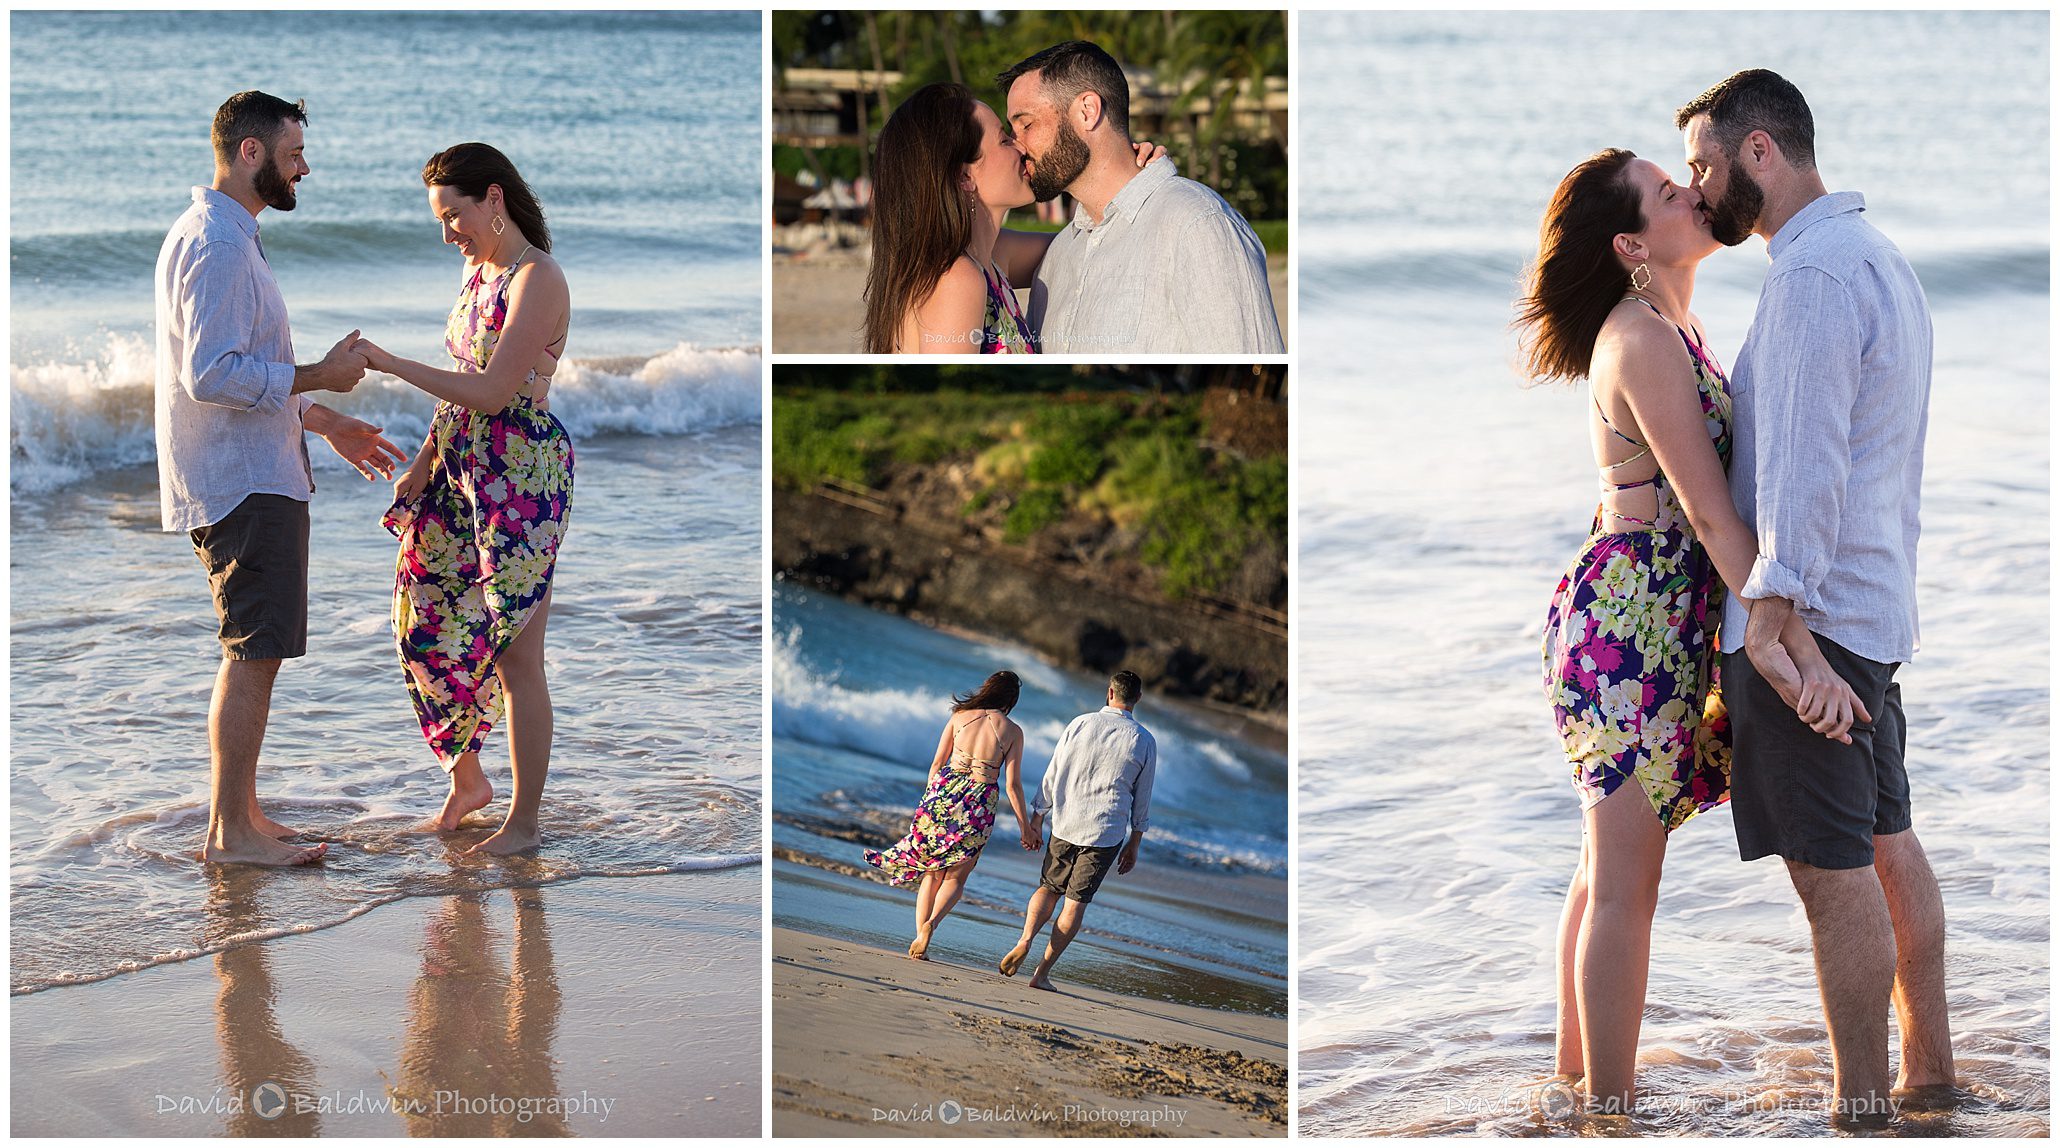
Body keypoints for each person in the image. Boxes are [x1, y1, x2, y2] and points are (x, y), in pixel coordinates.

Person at [1516, 144, 1867, 1113]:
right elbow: (1710, 516)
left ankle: (1575, 1089)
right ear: (1631, 242)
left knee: (1604, 871)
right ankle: (1606, 1112)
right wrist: (1786, 641)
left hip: (1653, 621)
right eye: (1666, 191)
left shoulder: (1676, 322)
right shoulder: (1635, 336)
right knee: (1623, 878)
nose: (1690, 192)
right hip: (1621, 630)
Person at [1678, 68, 1953, 1121]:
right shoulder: (1877, 259)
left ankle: (1861, 1109)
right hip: (1872, 613)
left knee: (1831, 874)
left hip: (1815, 621)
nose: (1699, 191)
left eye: (1706, 165)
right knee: (1886, 847)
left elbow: (1803, 466)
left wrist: (1773, 628)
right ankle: (1926, 1077)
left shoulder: (1807, 278)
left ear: (1760, 152)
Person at [156, 90, 405, 867]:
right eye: (294, 153)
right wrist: (323, 375)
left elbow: (242, 373)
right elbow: (212, 374)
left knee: (256, 648)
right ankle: (230, 835)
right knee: (252, 650)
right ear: (253, 153)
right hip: (241, 482)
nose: (305, 166)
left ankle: (244, 814)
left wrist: (323, 421)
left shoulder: (229, 234)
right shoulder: (219, 243)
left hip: (255, 469)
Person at [351, 143, 574, 856]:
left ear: (494, 200)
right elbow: (461, 376)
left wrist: (387, 363)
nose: (448, 232)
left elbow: (492, 390)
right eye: (440, 219)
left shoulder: (538, 278)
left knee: (514, 657)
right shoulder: (477, 271)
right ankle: (468, 779)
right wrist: (421, 460)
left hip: (521, 478)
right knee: (423, 621)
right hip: (457, 467)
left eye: (455, 215)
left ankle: (525, 822)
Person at [999, 40, 1285, 354]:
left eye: (1026, 124)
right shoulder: (1060, 254)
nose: (1018, 144)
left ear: (1087, 111)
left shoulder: (1197, 226)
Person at [862, 83, 1164, 354]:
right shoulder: (958, 280)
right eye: (1004, 140)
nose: (1021, 147)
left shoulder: (992, 255)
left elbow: (1093, 242)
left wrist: (1123, 173)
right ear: (965, 176)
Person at [1000, 670, 1156, 991]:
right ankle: (1041, 973)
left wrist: (1039, 815)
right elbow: (1143, 798)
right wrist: (1135, 842)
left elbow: (1054, 770)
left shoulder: (1080, 723)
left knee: (1048, 888)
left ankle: (1026, 939)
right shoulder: (1143, 740)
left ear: (1109, 693)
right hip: (1106, 832)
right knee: (1075, 903)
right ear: (1137, 699)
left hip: (1067, 822)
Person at [865, 671, 1033, 959]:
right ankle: (932, 925)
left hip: (943, 794)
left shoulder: (959, 715)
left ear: (987, 689)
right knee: (956, 877)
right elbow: (1013, 785)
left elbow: (936, 763)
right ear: (1011, 699)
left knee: (932, 871)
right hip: (979, 800)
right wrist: (1025, 827)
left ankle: (920, 935)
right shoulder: (1013, 731)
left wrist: (929, 801)